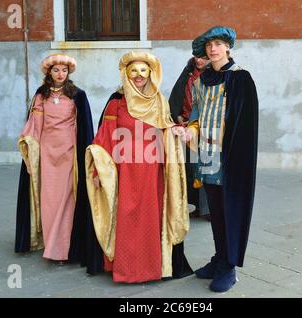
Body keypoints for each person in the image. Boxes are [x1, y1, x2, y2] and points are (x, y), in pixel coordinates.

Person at [84, 51, 193, 283]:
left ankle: (151, 268)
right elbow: (104, 136)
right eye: (134, 71)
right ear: (126, 74)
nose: (139, 76)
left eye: (143, 71)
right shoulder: (116, 103)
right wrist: (96, 170)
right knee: (126, 216)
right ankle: (126, 270)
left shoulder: (159, 100)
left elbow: (166, 127)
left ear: (151, 73)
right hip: (125, 170)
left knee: (150, 219)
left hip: (152, 171)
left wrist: (174, 130)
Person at [173, 26, 258, 292]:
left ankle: (229, 266)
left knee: (230, 211)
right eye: (210, 45)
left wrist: (235, 157)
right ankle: (219, 258)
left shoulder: (241, 78)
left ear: (228, 47)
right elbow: (196, 116)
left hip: (230, 158)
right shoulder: (200, 81)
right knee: (216, 212)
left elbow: (245, 125)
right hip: (206, 156)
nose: (213, 49)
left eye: (219, 44)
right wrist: (187, 130)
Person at [15, 54, 104, 275]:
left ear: (69, 73)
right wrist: (29, 147)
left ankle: (62, 249)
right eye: (56, 70)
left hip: (69, 155)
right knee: (49, 200)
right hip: (47, 155)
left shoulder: (77, 96)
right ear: (49, 73)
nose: (60, 74)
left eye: (64, 70)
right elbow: (34, 125)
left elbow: (85, 128)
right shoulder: (40, 95)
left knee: (67, 200)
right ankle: (49, 241)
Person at [169, 55, 211, 221]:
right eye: (197, 57)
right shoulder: (187, 73)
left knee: (207, 166)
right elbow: (176, 97)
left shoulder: (214, 75)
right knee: (189, 166)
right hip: (185, 126)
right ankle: (193, 205)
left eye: (204, 58)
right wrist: (178, 117)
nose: (200, 61)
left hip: (206, 129)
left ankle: (209, 209)